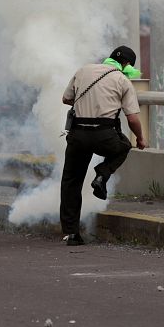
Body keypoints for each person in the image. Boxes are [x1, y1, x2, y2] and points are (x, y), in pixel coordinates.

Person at [60, 45, 147, 246]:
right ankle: (102, 174)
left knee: (71, 181)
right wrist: (140, 138)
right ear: (126, 64)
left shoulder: (83, 70)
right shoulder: (122, 80)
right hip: (104, 134)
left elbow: (66, 99)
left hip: (78, 134)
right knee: (123, 146)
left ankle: (72, 234)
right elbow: (132, 119)